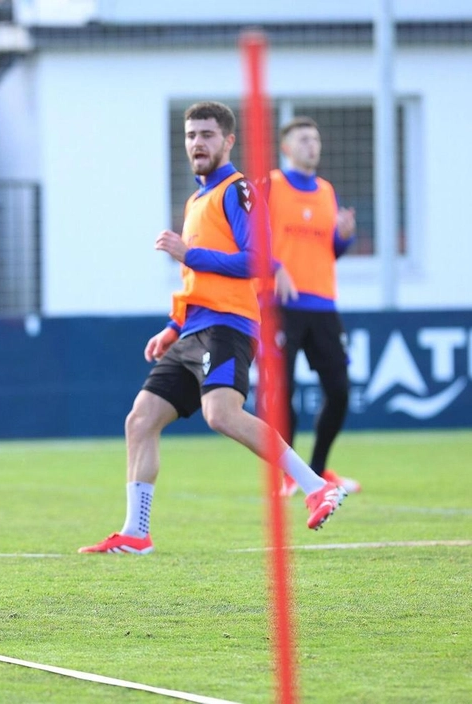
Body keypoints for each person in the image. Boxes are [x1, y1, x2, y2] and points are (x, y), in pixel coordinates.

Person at [78, 101, 347, 556]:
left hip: (228, 325)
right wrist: (172, 325)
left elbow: (256, 260)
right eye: (190, 135)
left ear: (228, 141)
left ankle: (315, 485)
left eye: (206, 134)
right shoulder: (196, 199)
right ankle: (136, 532)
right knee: (140, 420)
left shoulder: (238, 190)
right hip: (192, 329)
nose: (197, 143)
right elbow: (193, 279)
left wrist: (189, 254)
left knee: (221, 414)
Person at [267, 116, 361, 498]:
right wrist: (274, 269)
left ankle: (318, 470)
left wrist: (344, 238)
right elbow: (249, 237)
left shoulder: (326, 191)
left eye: (316, 138)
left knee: (339, 390)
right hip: (282, 305)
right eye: (304, 139)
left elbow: (329, 251)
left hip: (323, 304)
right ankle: (289, 476)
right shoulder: (270, 185)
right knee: (281, 392)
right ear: (287, 147)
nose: (312, 145)